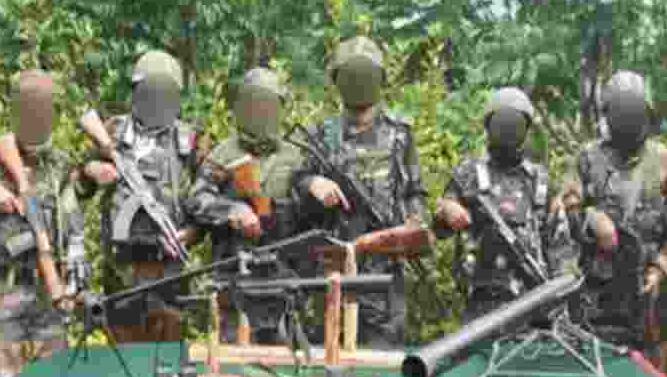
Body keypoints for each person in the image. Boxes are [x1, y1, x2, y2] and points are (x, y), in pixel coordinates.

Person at [559, 70, 667, 371]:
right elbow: (564, 216)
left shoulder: (666, 162)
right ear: (608, 115)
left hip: (649, 302)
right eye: (619, 110)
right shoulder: (588, 159)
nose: (627, 118)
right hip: (597, 303)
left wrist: (661, 270)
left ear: (646, 112)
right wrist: (590, 219)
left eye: (634, 110)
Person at [295, 36, 429, 350]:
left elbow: (414, 191)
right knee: (327, 362)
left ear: (380, 80)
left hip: (386, 273)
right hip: (332, 272)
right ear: (338, 81)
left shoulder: (400, 134)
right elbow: (297, 185)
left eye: (366, 75)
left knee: (382, 368)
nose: (359, 82)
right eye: (351, 75)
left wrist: (414, 224)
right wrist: (314, 184)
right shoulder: (320, 136)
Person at [75, 50, 208, 343]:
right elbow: (75, 187)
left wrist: (190, 234)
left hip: (169, 274)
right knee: (124, 367)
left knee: (168, 368)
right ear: (137, 92)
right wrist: (91, 170)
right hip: (121, 275)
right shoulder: (113, 131)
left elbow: (207, 199)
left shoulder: (190, 140)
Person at [0, 70, 86, 377]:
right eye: (29, 108)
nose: (36, 116)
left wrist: (74, 282)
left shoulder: (59, 163)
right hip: (7, 294)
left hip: (51, 295)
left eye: (42, 108)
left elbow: (74, 228)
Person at [185, 68, 317, 345]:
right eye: (252, 104)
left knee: (290, 370)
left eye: (266, 104)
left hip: (284, 283)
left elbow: (313, 219)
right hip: (234, 283)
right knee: (232, 370)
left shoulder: (296, 155)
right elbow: (197, 200)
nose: (259, 111)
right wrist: (232, 211)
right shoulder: (223, 154)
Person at [433, 86, 577, 324]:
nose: (508, 130)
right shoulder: (467, 174)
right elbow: (438, 228)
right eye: (502, 123)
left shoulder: (540, 181)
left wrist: (561, 301)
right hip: (480, 306)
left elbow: (560, 248)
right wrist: (448, 209)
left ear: (526, 129)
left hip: (533, 304)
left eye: (515, 124)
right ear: (488, 126)